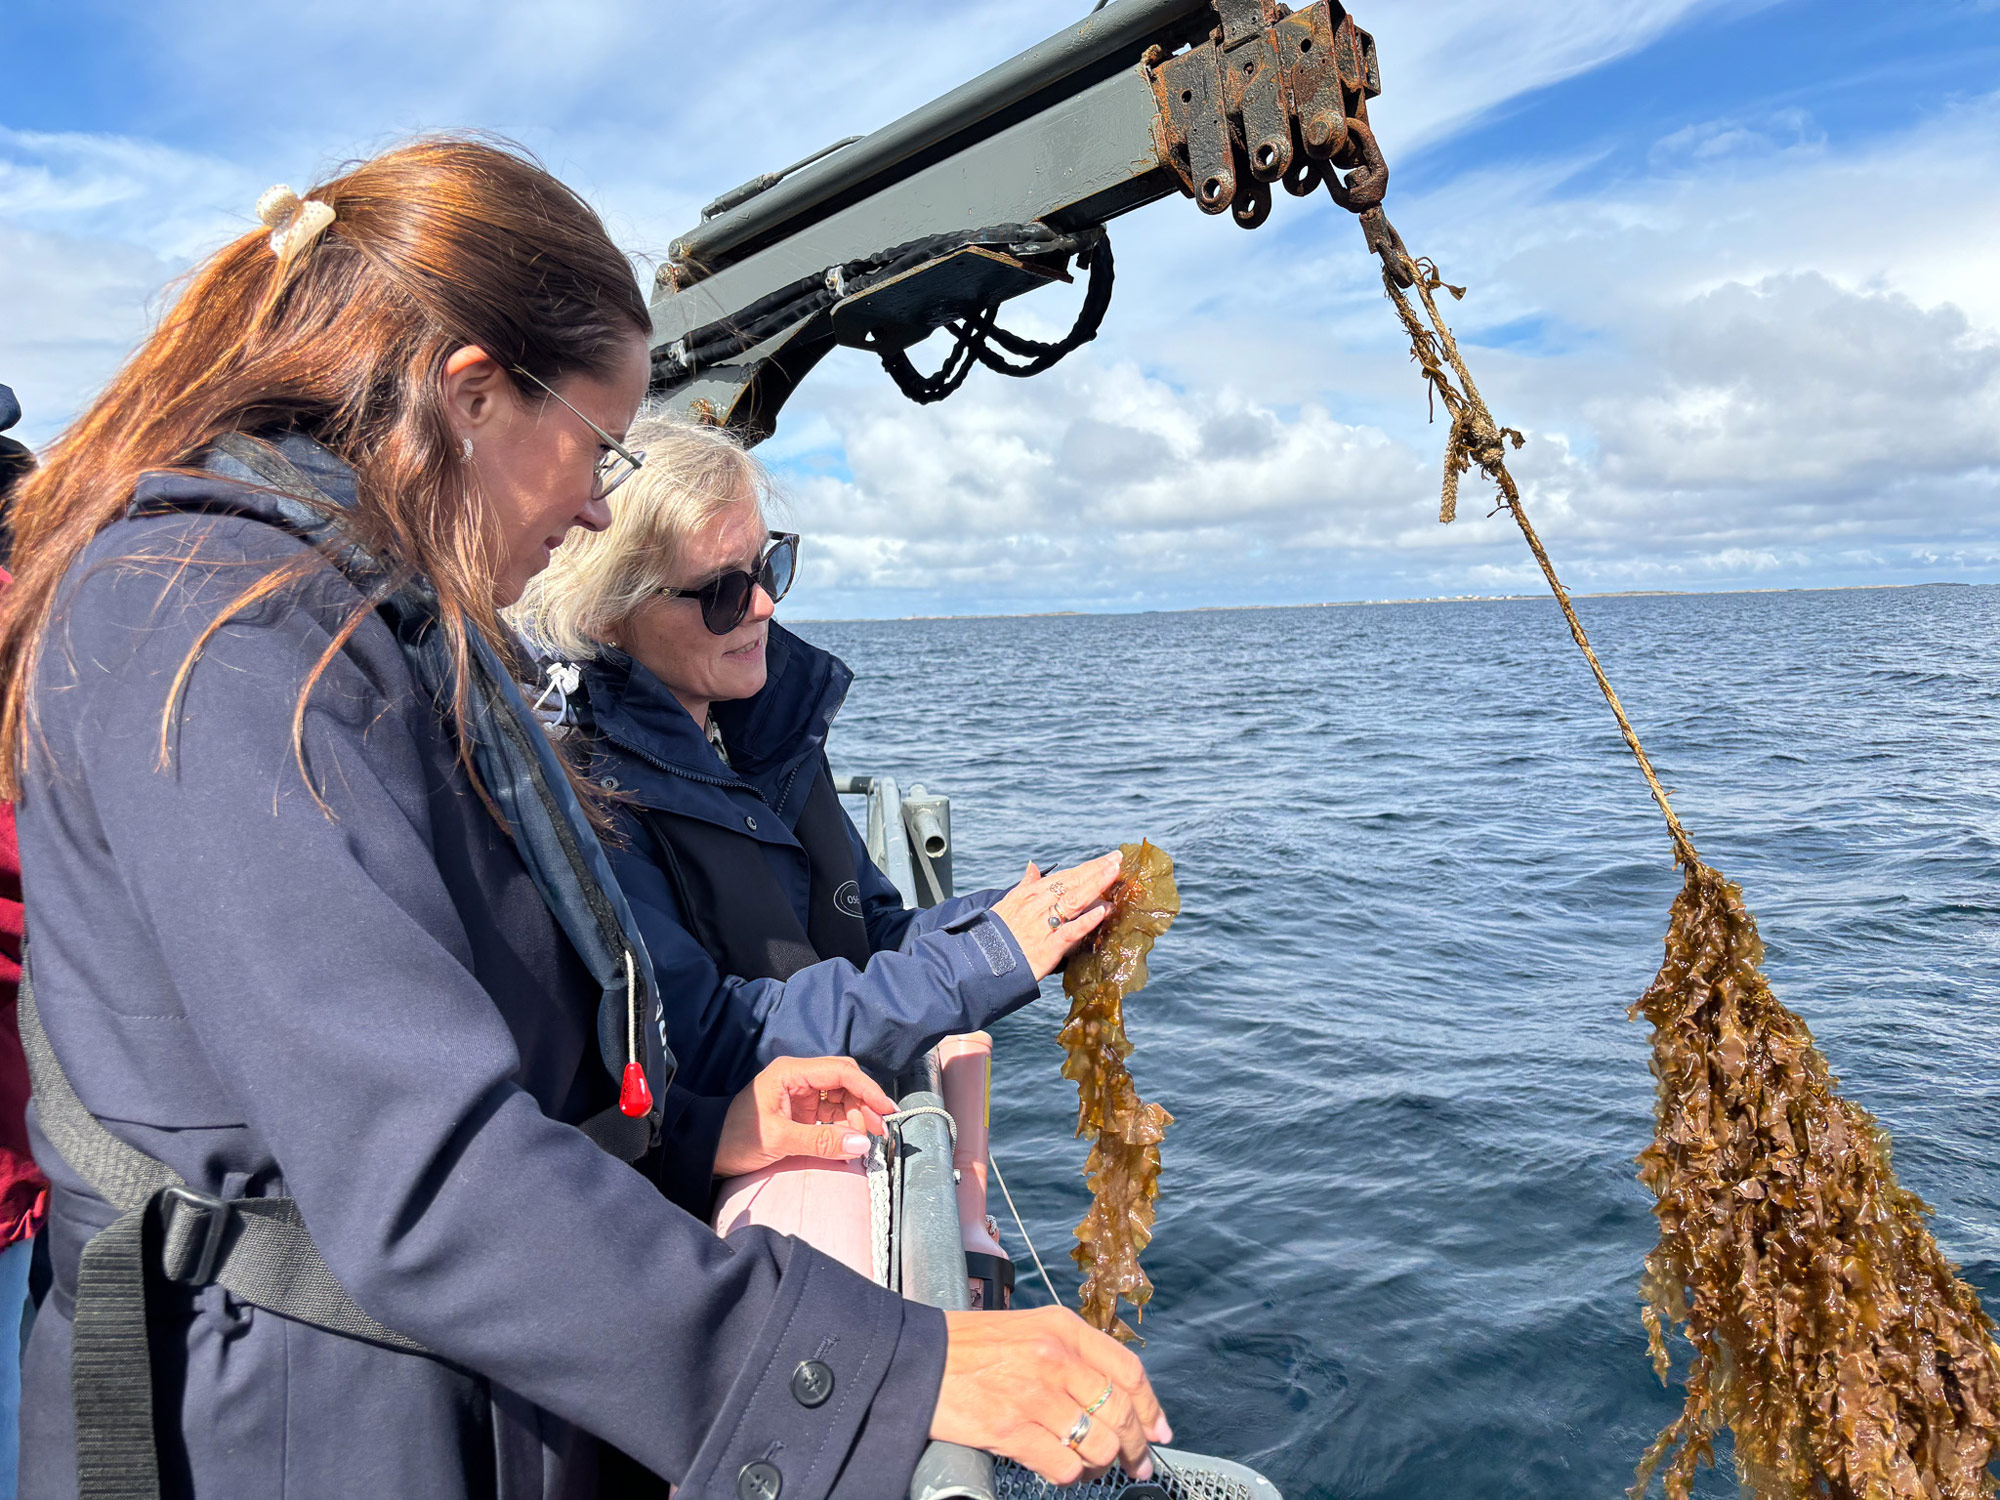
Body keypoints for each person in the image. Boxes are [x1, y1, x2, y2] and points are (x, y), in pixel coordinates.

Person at [0, 138, 1168, 1498]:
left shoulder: (382, 623)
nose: (598, 501)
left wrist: (696, 1123)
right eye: (597, 448)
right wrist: (891, 1366)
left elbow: (501, 1008)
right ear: (473, 395)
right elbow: (419, 1166)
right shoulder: (209, 625)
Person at [515, 415, 1124, 1097]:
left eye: (768, 565)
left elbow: (874, 932)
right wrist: (985, 957)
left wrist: (1029, 913)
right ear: (607, 612)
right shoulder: (593, 793)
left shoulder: (777, 735)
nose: (765, 605)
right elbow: (712, 1035)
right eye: (722, 593)